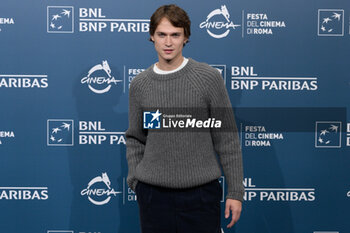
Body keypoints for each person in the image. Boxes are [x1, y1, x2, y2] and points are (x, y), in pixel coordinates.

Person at [125, 4, 244, 233]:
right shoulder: (140, 85)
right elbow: (136, 138)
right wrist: (136, 181)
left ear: (186, 38)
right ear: (152, 37)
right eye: (162, 35)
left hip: (201, 196)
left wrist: (236, 192)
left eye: (175, 35)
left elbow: (227, 138)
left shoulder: (208, 78)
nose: (168, 43)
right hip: (153, 197)